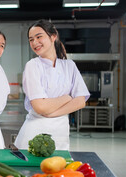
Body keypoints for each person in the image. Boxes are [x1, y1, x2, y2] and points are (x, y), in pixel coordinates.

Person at [14, 19, 90, 150]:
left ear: (53, 36)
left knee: (58, 169)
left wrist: (51, 114)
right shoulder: (32, 65)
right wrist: (67, 98)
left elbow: (81, 101)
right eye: (31, 39)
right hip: (34, 133)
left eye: (39, 37)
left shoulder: (69, 66)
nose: (35, 42)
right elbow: (40, 107)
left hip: (60, 133)